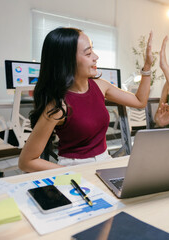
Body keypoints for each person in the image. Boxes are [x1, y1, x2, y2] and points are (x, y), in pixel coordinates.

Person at [19, 28, 153, 172]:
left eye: (92, 50)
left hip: (104, 160)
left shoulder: (100, 85)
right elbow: (27, 161)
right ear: (67, 61)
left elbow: (140, 101)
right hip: (74, 167)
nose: (96, 57)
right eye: (88, 53)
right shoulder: (59, 106)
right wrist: (71, 173)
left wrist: (147, 67)